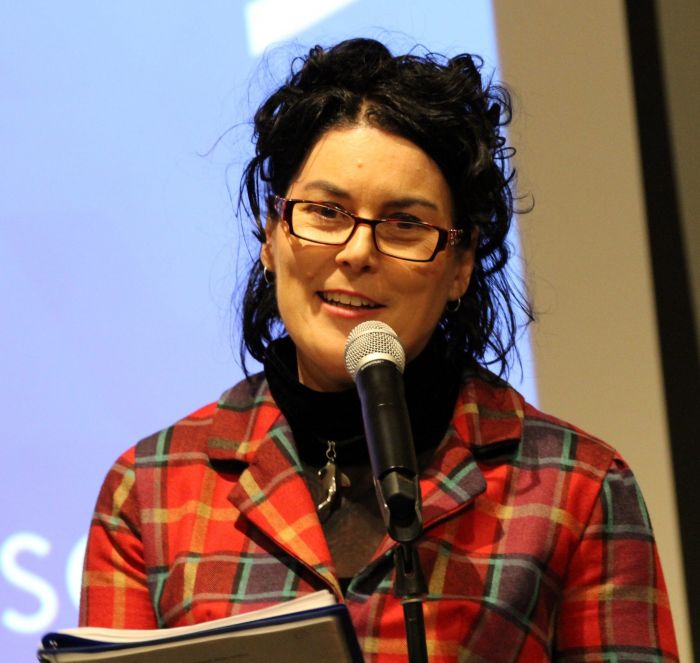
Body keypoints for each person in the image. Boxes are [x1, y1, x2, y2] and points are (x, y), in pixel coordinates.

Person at [79, 38, 679, 661]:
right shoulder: (150, 490)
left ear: (460, 265)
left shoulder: (576, 487)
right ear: (270, 234)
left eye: (404, 225)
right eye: (325, 211)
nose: (357, 252)